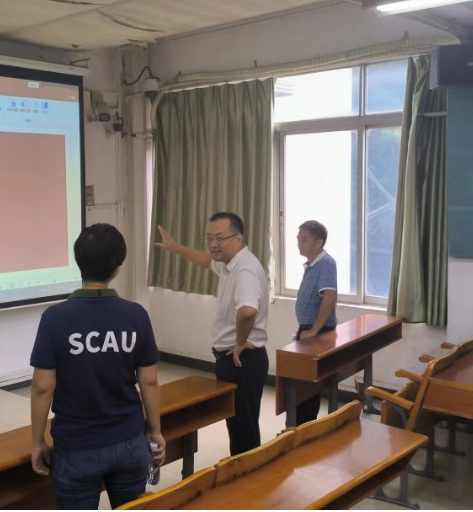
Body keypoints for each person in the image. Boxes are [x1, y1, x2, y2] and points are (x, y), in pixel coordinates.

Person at [29, 223, 165, 510]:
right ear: (117, 268)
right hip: (129, 441)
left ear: (78, 262)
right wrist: (155, 431)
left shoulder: (55, 318)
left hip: (76, 446)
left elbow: (42, 387)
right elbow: (149, 381)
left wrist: (37, 440)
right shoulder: (136, 315)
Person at [156, 212, 268, 456]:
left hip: (241, 360)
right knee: (241, 425)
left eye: (220, 238)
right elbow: (206, 260)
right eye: (209, 238)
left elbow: (248, 311)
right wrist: (175, 247)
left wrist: (240, 342)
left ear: (238, 238)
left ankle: (246, 476)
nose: (213, 244)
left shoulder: (244, 270)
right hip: (237, 359)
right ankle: (245, 471)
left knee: (243, 430)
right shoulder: (231, 263)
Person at [293, 220, 338, 425]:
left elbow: (330, 297)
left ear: (319, 242)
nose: (299, 243)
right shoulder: (314, 264)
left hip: (316, 333)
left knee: (307, 384)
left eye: (304, 240)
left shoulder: (326, 263)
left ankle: (303, 427)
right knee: (305, 384)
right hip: (308, 330)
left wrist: (313, 330)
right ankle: (302, 425)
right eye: (298, 239)